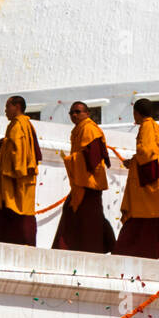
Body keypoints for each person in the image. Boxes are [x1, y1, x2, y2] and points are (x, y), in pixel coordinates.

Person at [113, 99, 159, 258]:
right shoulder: (154, 126)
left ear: (136, 112)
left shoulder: (147, 126)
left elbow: (147, 154)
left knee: (146, 219)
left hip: (147, 184)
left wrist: (134, 161)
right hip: (152, 181)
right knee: (158, 218)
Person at [53, 101, 116, 253]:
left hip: (89, 184)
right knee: (85, 216)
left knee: (89, 218)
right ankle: (108, 246)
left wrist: (71, 160)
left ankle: (100, 247)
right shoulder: (79, 130)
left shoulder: (89, 129)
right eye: (71, 112)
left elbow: (93, 158)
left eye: (78, 111)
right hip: (82, 182)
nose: (74, 115)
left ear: (87, 113)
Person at [0, 95, 41, 246]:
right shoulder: (25, 124)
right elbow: (19, 147)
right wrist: (3, 145)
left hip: (15, 179)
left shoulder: (18, 126)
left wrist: (17, 171)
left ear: (17, 107)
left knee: (16, 213)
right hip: (17, 181)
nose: (5, 110)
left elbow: (18, 154)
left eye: (7, 106)